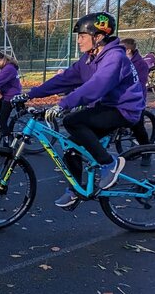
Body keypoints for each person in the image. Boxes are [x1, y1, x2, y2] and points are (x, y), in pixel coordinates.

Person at [18, 12, 145, 208]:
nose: (78, 40)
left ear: (99, 37)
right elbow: (64, 79)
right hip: (106, 107)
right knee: (71, 148)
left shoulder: (115, 57)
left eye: (82, 36)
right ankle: (75, 190)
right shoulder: (89, 59)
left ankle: (109, 163)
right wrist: (30, 94)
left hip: (124, 110)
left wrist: (63, 104)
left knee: (72, 121)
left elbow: (97, 86)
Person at [121, 38, 152, 166]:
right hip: (120, 98)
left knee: (137, 126)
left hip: (136, 100)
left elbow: (138, 83)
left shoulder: (141, 64)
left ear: (128, 50)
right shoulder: (120, 61)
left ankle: (147, 152)